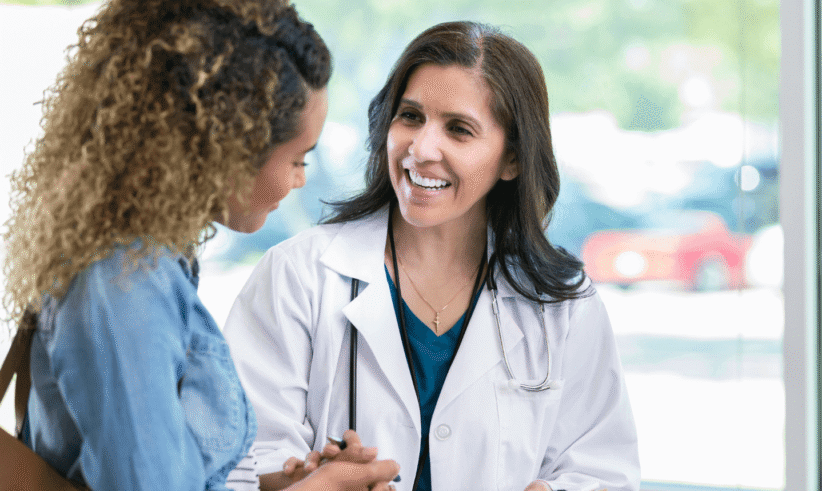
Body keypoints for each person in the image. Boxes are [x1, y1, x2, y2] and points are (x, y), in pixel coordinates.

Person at [223, 20, 640, 491]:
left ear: (513, 159)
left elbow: (602, 470)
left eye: (459, 130)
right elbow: (240, 459)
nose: (421, 149)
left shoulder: (563, 303)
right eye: (411, 117)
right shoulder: (297, 276)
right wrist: (312, 478)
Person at [1, 0, 399, 489]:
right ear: (228, 149)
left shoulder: (152, 261)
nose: (300, 181)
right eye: (298, 159)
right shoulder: (124, 285)